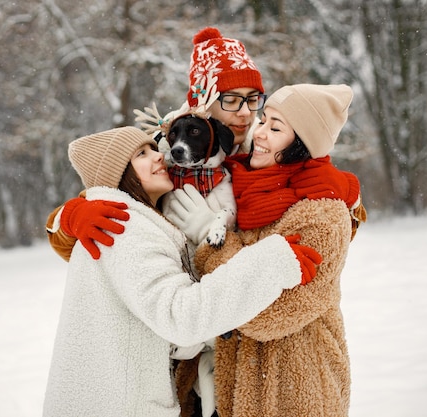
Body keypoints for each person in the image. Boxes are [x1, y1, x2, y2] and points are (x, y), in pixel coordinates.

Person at [42, 126, 324, 417]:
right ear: (119, 173)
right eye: (142, 153)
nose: (160, 157)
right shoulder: (122, 226)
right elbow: (180, 317)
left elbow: (162, 325)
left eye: (154, 148)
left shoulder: (129, 219)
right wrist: (269, 263)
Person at [169, 84, 362, 417]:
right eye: (264, 121)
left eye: (276, 128)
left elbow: (268, 315)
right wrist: (67, 219)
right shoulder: (238, 184)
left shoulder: (322, 213)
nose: (259, 133)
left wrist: (210, 241)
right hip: (216, 391)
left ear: (301, 145)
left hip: (290, 394)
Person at [45, 26, 266, 261]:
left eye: (253, 100)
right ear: (202, 102)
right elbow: (80, 224)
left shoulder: (268, 150)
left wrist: (210, 229)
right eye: (231, 100)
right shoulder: (160, 150)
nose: (245, 112)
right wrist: (71, 217)